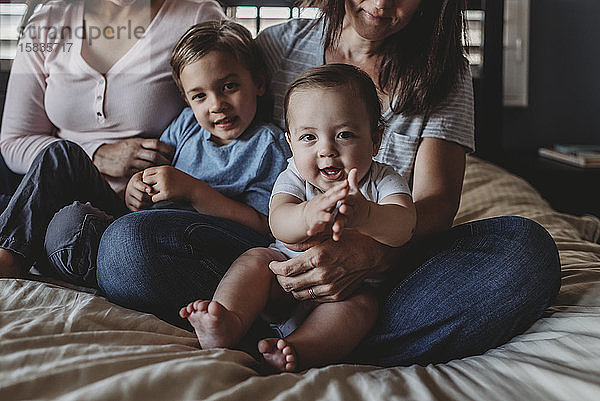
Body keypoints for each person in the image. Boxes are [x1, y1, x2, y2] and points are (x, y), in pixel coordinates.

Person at [98, 0, 561, 368]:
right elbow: (229, 139)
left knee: (525, 251)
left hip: (387, 276)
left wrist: (367, 250)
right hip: (275, 262)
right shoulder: (277, 49)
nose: (381, 4)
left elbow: (433, 207)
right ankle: (272, 331)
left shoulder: (443, 74)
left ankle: (308, 342)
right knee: (127, 247)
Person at [0, 20, 289, 286]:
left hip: (177, 243)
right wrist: (135, 189)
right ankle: (10, 254)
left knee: (72, 227)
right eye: (200, 95)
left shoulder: (269, 146)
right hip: (130, 222)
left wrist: (195, 192)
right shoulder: (187, 125)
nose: (216, 104)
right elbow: (148, 175)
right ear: (186, 100)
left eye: (229, 87)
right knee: (61, 154)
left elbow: (264, 227)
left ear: (259, 83)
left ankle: (76, 258)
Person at [180, 64, 416, 373]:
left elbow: (404, 226)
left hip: (348, 290)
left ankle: (299, 349)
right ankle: (227, 321)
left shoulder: (383, 179)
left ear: (375, 139)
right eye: (309, 137)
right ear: (290, 143)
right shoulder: (293, 177)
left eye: (345, 134)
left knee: (364, 306)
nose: (327, 150)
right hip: (285, 282)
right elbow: (278, 222)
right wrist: (308, 213)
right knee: (255, 260)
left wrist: (368, 215)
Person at [0, 0, 224, 197]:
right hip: (56, 190)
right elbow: (15, 141)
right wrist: (96, 155)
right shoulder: (47, 23)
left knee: (68, 223)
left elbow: (228, 113)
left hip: (145, 202)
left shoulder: (197, 17)